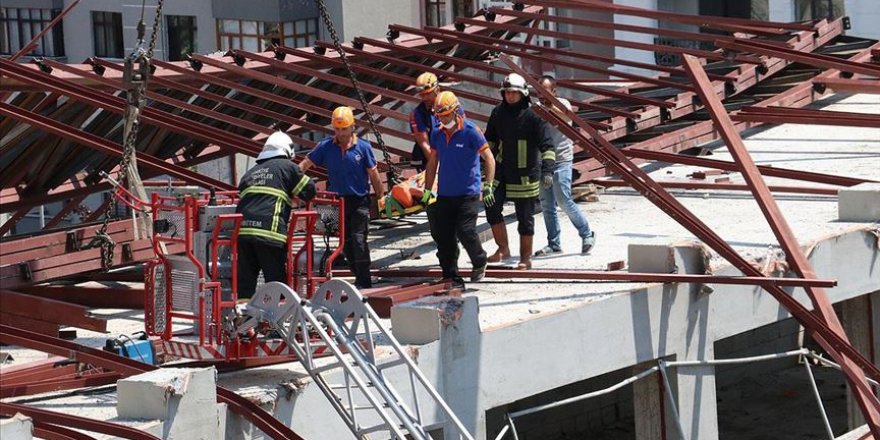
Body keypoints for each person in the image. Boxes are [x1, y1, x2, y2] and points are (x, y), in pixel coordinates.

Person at [300, 106, 385, 289]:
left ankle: (365, 281)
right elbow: (306, 163)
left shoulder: (363, 147)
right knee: (343, 244)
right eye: (337, 129)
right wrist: (293, 180)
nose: (340, 133)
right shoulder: (326, 146)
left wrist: (381, 198)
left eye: (344, 129)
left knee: (359, 240)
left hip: (358, 201)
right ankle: (357, 274)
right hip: (335, 202)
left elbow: (374, 174)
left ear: (352, 127)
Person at [421, 91, 496, 289]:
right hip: (445, 194)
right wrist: (428, 190)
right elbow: (432, 163)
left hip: (468, 194)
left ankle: (479, 259)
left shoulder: (471, 131)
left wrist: (488, 185)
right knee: (444, 238)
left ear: (455, 111)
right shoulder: (437, 133)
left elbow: (489, 158)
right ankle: (451, 277)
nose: (442, 119)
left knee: (465, 230)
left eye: (445, 115)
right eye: (439, 116)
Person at [483, 73, 555, 270]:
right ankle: (503, 249)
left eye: (514, 92)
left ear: (522, 93)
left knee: (525, 218)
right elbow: (489, 141)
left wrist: (548, 171)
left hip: (526, 175)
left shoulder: (535, 116)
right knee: (491, 206)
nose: (510, 96)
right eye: (507, 92)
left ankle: (525, 258)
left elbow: (548, 146)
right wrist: (484, 165)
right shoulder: (497, 113)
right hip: (502, 172)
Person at [236, 131, 316, 297]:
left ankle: (244, 318)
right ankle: (277, 317)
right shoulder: (287, 167)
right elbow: (309, 191)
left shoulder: (249, 174)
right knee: (276, 280)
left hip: (244, 234)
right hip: (270, 233)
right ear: (287, 151)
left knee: (246, 283)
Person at [535, 75, 596, 257]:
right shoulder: (536, 108)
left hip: (561, 160)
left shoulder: (563, 104)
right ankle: (554, 243)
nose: (541, 94)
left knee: (563, 199)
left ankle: (587, 234)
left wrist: (547, 106)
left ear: (554, 91)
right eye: (539, 90)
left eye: (545, 90)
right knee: (547, 204)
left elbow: (564, 115)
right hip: (543, 162)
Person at [409, 72, 465, 172]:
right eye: (422, 95)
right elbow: (424, 144)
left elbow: (461, 129)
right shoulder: (417, 114)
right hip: (428, 159)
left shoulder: (451, 105)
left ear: (437, 90)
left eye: (428, 94)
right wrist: (439, 167)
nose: (425, 98)